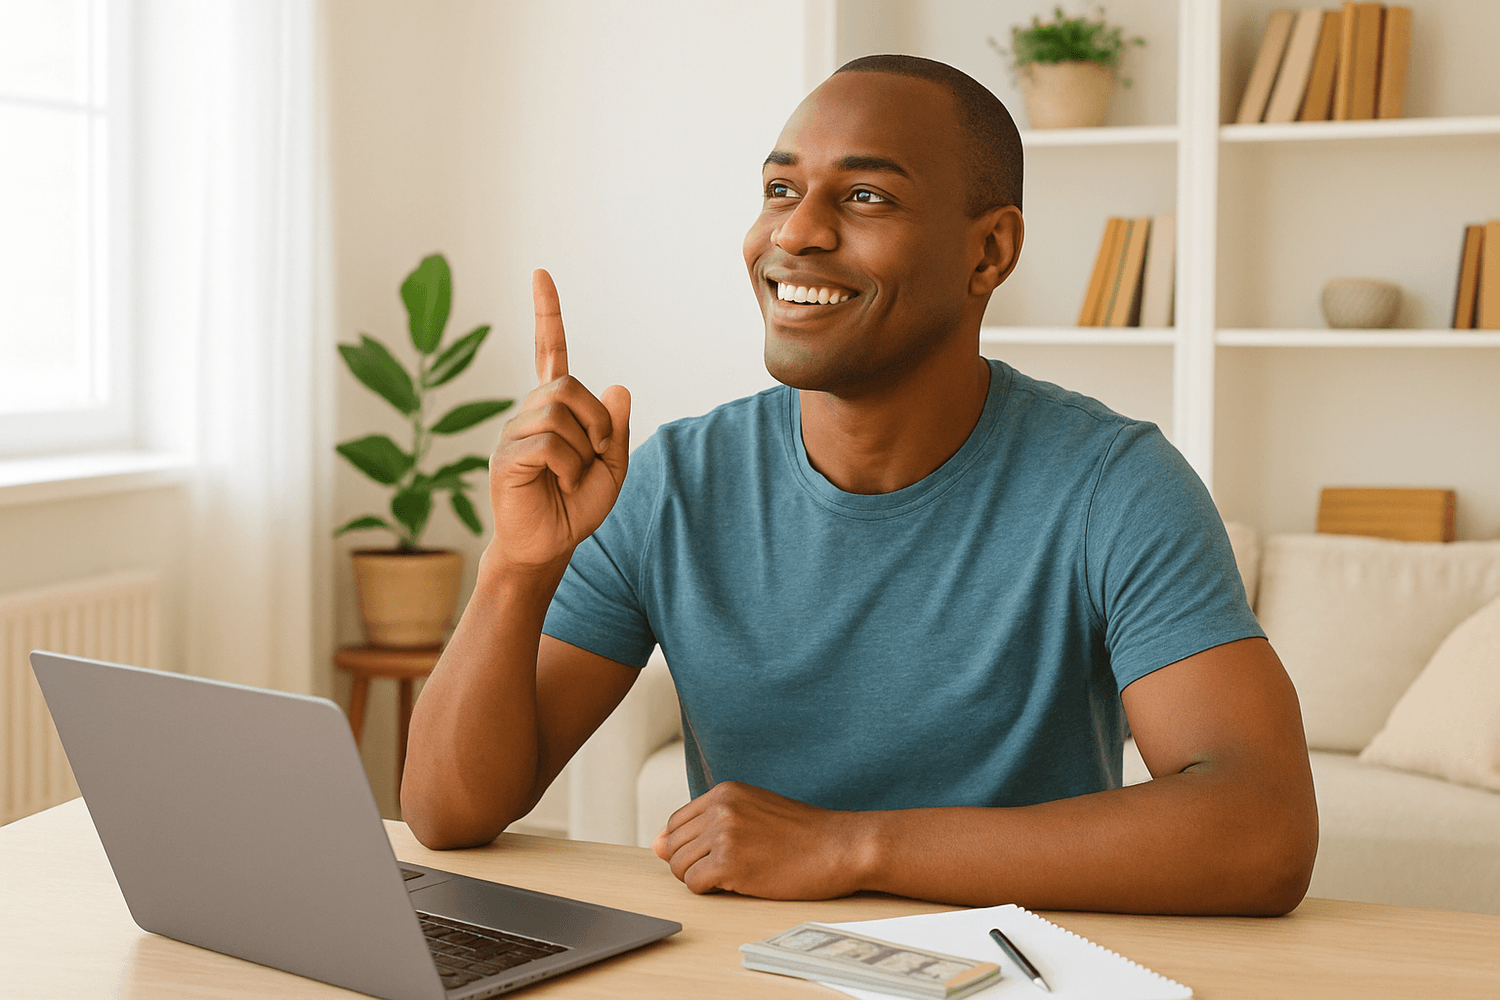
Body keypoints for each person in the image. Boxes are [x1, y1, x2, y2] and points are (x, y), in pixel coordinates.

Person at [401, 54, 1318, 916]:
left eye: (866, 195)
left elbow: (1261, 827)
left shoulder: (1113, 485)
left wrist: (850, 849)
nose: (795, 232)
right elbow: (448, 813)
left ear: (989, 253)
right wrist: (516, 567)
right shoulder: (671, 484)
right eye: (779, 190)